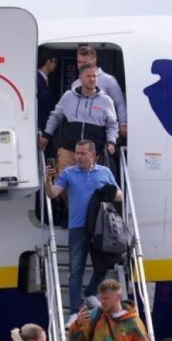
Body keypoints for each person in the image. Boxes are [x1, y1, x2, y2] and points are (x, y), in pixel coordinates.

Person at [45, 139, 122, 327]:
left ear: (92, 154)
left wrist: (105, 193)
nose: (78, 156)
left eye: (82, 153)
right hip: (78, 227)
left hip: (99, 227)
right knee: (75, 271)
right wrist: (47, 179)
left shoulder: (104, 172)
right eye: (76, 153)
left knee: (103, 265)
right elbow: (52, 193)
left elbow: (120, 195)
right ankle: (74, 312)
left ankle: (90, 292)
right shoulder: (68, 173)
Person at [39, 63, 118, 172]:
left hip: (93, 155)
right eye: (88, 76)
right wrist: (47, 135)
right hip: (68, 151)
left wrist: (111, 142)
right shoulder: (68, 96)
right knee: (64, 181)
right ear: (80, 77)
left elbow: (112, 125)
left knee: (89, 183)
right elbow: (55, 117)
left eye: (94, 76)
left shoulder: (106, 101)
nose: (92, 79)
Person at [72, 44, 127, 137]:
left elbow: (120, 103)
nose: (81, 65)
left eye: (84, 62)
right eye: (79, 62)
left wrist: (123, 124)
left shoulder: (108, 80)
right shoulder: (75, 84)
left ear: (94, 60)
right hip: (80, 132)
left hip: (103, 132)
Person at [36, 46, 58, 132]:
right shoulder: (37, 79)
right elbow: (43, 101)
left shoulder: (47, 79)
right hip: (39, 123)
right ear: (48, 62)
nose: (55, 65)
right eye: (55, 62)